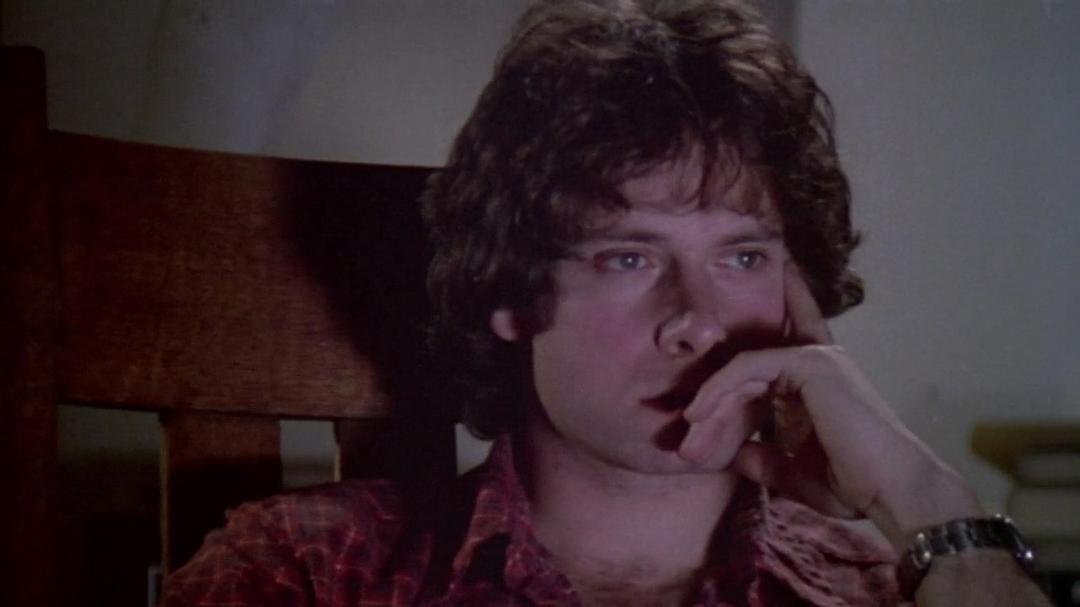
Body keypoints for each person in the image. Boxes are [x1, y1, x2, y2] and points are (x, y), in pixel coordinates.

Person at [163, 1, 1051, 605]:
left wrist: (929, 498)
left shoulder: (887, 585)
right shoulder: (310, 570)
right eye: (630, 256)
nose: (699, 319)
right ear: (513, 289)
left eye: (742, 255)